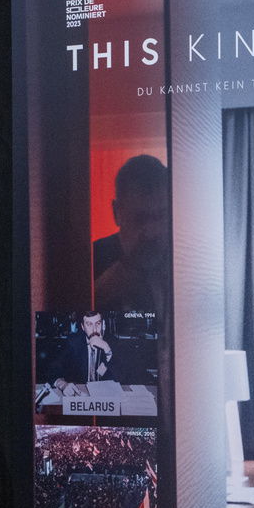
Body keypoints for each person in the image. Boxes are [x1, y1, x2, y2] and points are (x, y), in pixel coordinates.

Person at [93, 155, 171, 312]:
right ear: (117, 212)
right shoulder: (88, 261)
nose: (151, 232)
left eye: (161, 216)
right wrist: (95, 297)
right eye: (140, 218)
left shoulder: (188, 261)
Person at [50, 311, 113, 395]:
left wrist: (107, 349)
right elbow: (52, 370)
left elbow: (121, 377)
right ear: (83, 327)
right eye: (89, 324)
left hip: (105, 394)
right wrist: (63, 384)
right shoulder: (73, 342)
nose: (94, 329)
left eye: (98, 323)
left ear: (103, 324)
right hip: (80, 393)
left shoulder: (112, 342)